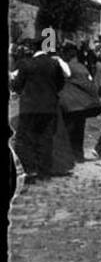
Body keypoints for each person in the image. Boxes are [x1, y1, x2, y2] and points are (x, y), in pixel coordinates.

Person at [12, 42, 70, 181]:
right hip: (49, 107)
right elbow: (61, 83)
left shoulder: (25, 63)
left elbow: (18, 84)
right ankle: (44, 172)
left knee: (26, 139)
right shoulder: (54, 64)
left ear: (32, 50)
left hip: (29, 107)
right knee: (46, 139)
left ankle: (30, 170)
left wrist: (21, 91)